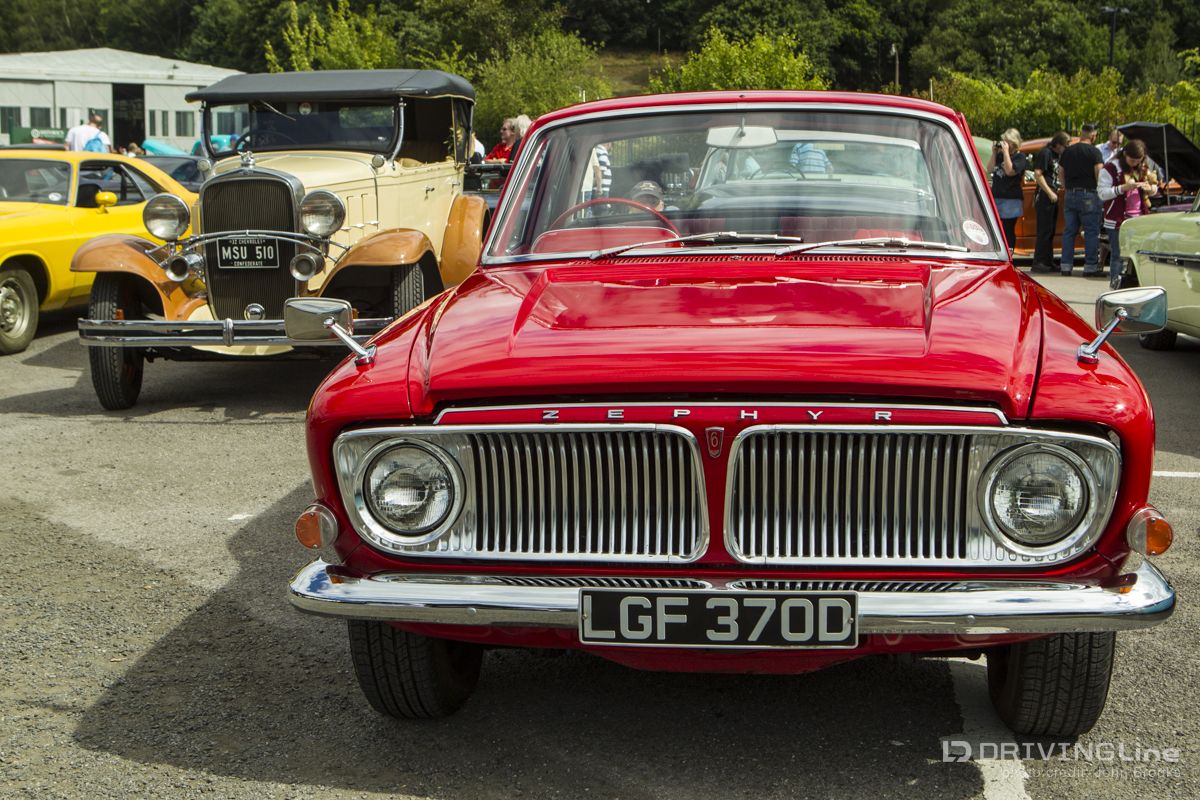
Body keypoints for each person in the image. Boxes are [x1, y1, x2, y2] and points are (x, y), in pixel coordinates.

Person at [1099, 138, 1158, 288]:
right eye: (1132, 160)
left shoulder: (1143, 167)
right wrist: (1122, 188)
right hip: (1117, 220)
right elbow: (1102, 194)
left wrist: (1150, 190)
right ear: (1124, 154)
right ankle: (1115, 287)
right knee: (1118, 256)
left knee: (1140, 256)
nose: (1135, 163)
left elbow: (1154, 187)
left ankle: (1136, 287)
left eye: (1138, 160)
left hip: (1139, 219)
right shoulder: (1110, 168)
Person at [1056, 123, 1104, 277]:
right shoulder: (1094, 152)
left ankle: (1066, 266)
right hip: (1089, 193)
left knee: (1069, 231)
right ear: (1093, 135)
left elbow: (1060, 171)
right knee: (1090, 231)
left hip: (1070, 193)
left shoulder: (1068, 151)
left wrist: (1066, 187)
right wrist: (1099, 190)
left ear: (1081, 133)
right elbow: (1099, 172)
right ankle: (1090, 267)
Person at [1030, 131, 1070, 272]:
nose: (1066, 148)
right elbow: (1038, 174)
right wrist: (1049, 192)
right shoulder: (1045, 153)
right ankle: (1039, 261)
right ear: (1057, 144)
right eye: (1065, 145)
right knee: (1044, 230)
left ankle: (1048, 260)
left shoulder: (1058, 156)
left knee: (1051, 230)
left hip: (1054, 194)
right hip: (1045, 195)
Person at [986, 128, 1027, 251]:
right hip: (997, 197)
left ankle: (1009, 252)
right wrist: (994, 153)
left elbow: (1010, 171)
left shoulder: (1020, 157)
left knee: (1008, 229)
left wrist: (1006, 153)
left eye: (1006, 142)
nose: (1004, 144)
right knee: (996, 229)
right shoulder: (999, 156)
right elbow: (989, 169)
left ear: (1013, 143)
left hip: (1011, 200)